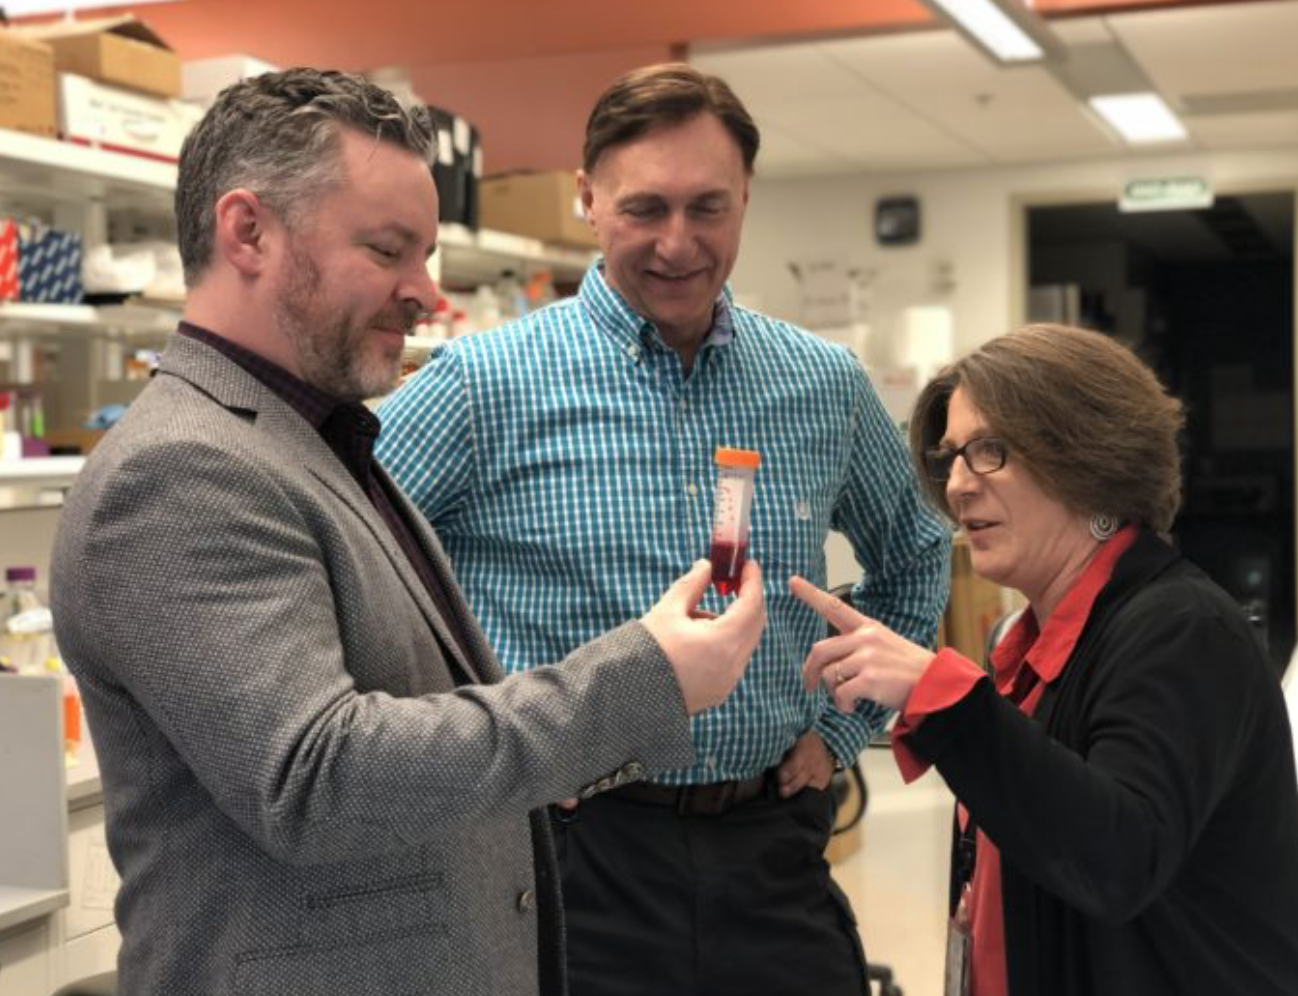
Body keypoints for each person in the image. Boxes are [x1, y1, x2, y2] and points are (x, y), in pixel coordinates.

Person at [49, 68, 768, 996]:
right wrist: (641, 679)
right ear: (248, 232)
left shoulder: (317, 437)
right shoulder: (181, 470)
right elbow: (319, 777)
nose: (425, 293)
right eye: (389, 251)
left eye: (425, 255)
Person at [377, 62, 950, 995]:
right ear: (588, 198)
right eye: (645, 208)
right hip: (565, 856)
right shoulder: (481, 385)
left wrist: (845, 732)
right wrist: (474, 742)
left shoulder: (822, 385)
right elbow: (349, 558)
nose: (678, 243)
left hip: (771, 844)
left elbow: (918, 556)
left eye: (708, 208)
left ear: (746, 200)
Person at [792, 324, 1298, 996]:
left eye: (990, 452)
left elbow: (1118, 857)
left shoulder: (1183, 632)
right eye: (952, 458)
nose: (959, 488)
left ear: (1089, 460)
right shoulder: (1028, 642)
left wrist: (940, 693)